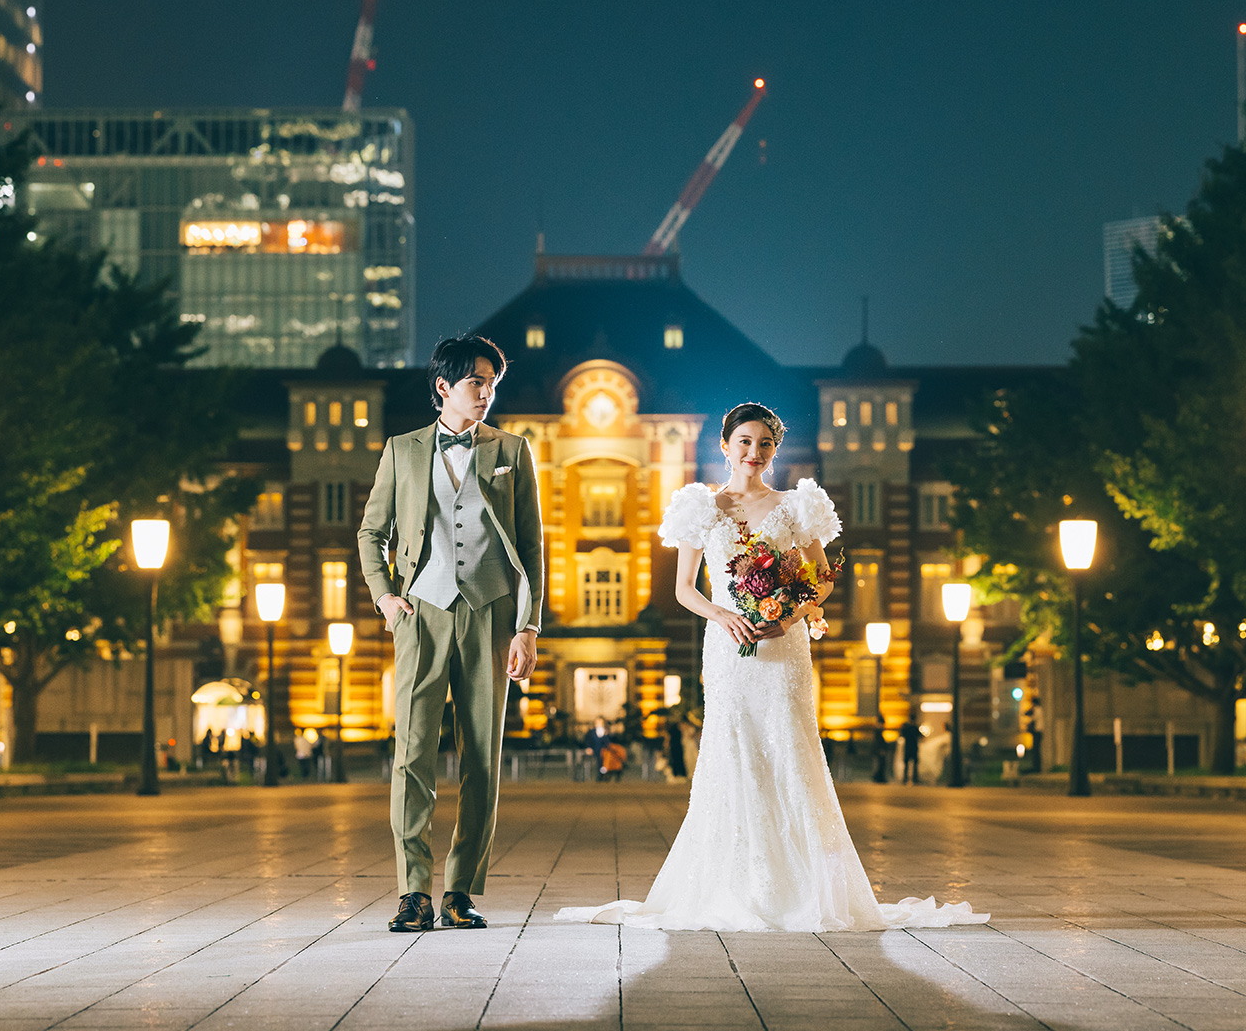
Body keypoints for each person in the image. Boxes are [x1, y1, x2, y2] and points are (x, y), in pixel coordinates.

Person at [556, 403, 988, 932]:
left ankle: (805, 885)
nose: (753, 453)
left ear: (774, 450)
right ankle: (731, 881)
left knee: (789, 747)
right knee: (731, 750)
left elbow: (823, 578)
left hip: (782, 646)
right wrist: (721, 616)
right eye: (744, 442)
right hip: (727, 645)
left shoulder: (796, 505)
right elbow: (683, 589)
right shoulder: (701, 507)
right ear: (725, 445)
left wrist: (791, 615)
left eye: (764, 443)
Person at [358, 334, 543, 933]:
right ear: (444, 387)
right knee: (411, 756)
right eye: (476, 382)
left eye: (493, 382)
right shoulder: (401, 450)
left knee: (482, 760)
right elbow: (370, 533)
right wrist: (386, 597)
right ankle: (413, 890)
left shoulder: (513, 449)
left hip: (491, 614)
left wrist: (528, 624)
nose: (487, 392)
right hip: (421, 613)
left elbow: (533, 549)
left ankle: (460, 890)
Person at [897, 719, 922, 785]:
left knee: (906, 764)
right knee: (915, 765)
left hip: (907, 748)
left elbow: (901, 735)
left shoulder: (906, 728)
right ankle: (915, 779)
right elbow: (920, 735)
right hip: (914, 748)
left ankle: (905, 778)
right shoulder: (915, 728)